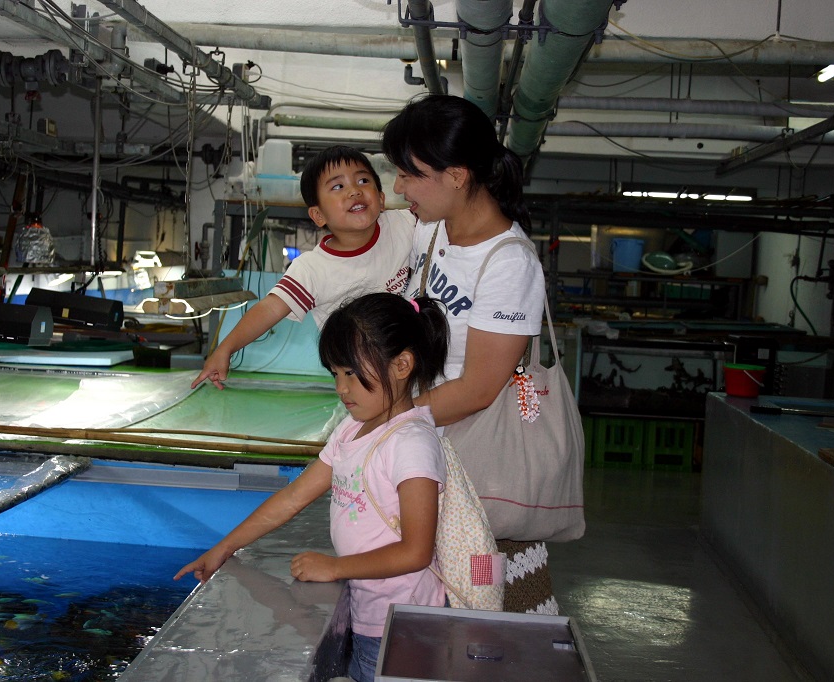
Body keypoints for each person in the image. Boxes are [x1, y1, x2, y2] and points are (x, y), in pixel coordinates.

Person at [176, 293, 450, 682]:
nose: (341, 388)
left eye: (352, 374)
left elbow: (416, 551)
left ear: (403, 364)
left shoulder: (411, 443)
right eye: (335, 373)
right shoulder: (353, 428)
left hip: (403, 630)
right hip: (371, 616)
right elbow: (292, 497)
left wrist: (335, 567)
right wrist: (223, 548)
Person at [382, 94, 554, 614]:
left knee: (482, 613)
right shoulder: (431, 232)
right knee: (422, 608)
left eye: (409, 175)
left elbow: (480, 388)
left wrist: (390, 419)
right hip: (423, 445)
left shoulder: (509, 263)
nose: (397, 187)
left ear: (456, 176)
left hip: (474, 462)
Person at [192, 145, 416, 390]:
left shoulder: (405, 224)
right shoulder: (312, 269)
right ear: (318, 215)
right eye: (338, 186)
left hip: (415, 364)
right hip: (363, 383)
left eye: (363, 180)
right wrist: (225, 348)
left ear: (381, 199)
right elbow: (269, 309)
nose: (354, 191)